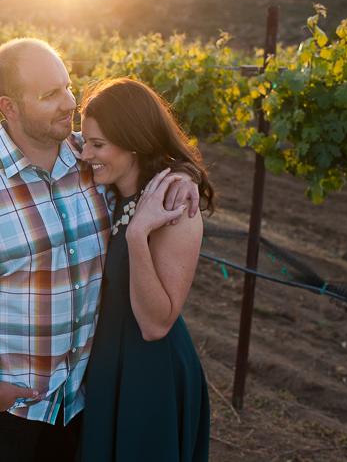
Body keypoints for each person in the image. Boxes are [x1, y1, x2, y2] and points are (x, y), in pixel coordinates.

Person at [0, 39, 199, 462]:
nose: (69, 102)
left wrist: (185, 174)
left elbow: (145, 151)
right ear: (9, 107)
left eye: (67, 86)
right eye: (50, 95)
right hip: (12, 406)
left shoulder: (92, 160)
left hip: (86, 398)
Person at [78, 78, 213, 461]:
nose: (84, 153)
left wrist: (138, 235)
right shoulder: (108, 187)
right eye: (86, 140)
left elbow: (156, 325)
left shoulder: (175, 208)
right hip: (108, 363)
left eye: (97, 145)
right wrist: (189, 170)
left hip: (149, 374)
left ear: (134, 140)